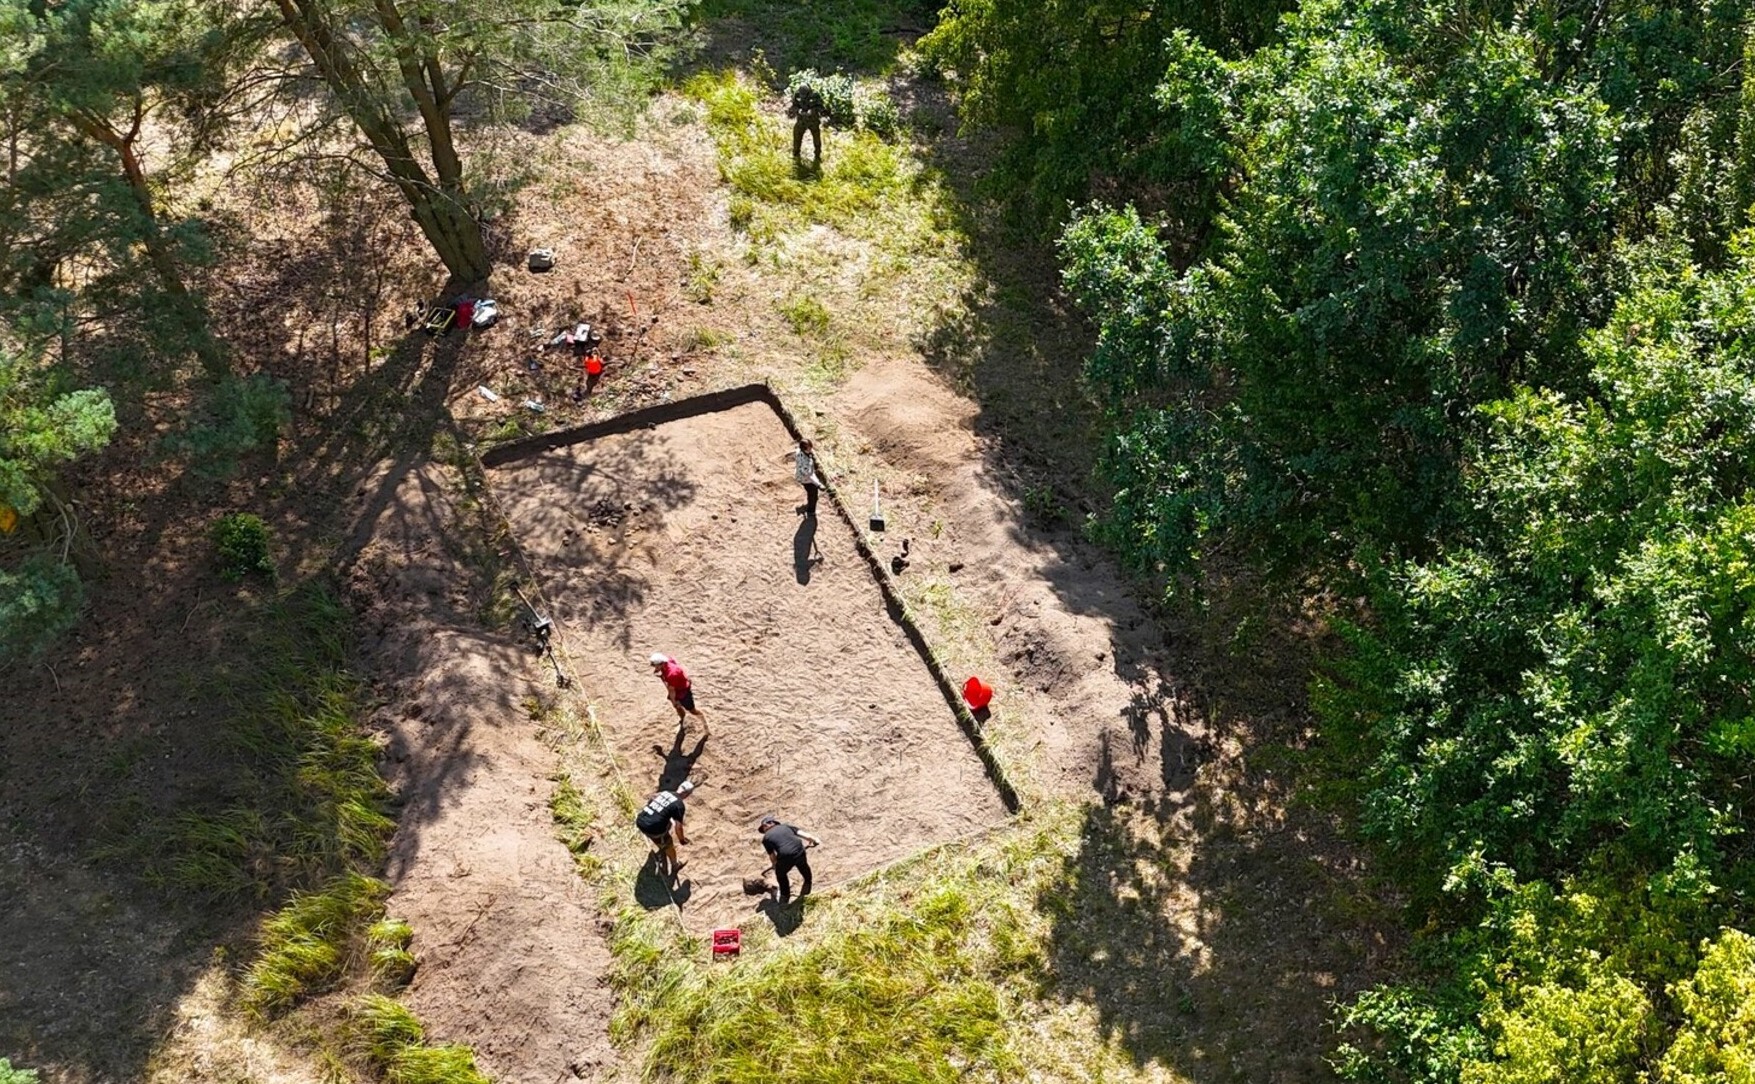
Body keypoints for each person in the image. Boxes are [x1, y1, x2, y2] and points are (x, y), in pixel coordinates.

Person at [758, 815, 821, 904]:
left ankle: (785, 895)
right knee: (803, 865)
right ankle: (808, 881)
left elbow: (772, 855)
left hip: (785, 856)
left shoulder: (766, 838)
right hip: (799, 850)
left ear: (766, 826)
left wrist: (775, 865)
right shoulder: (786, 826)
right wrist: (815, 840)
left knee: (781, 874)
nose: (764, 831)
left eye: (763, 829)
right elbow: (805, 835)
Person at [636, 779, 695, 874]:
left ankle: (659, 843)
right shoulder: (679, 805)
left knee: (668, 824)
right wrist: (682, 840)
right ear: (687, 794)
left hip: (640, 820)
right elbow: (678, 827)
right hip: (651, 828)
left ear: (679, 787)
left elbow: (652, 797)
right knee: (668, 844)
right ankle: (675, 865)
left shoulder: (665, 793)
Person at [650, 653, 709, 736]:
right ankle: (682, 721)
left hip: (683, 691)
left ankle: (703, 720)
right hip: (676, 687)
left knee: (692, 710)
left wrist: (674, 702)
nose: (655, 668)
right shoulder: (668, 661)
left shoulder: (671, 674)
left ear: (662, 663)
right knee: (678, 708)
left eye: (656, 666)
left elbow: (671, 690)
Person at [788, 82, 827, 164]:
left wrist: (812, 111)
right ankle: (796, 154)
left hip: (813, 121)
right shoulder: (797, 94)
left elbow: (821, 107)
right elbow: (793, 106)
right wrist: (798, 110)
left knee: (816, 139)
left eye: (804, 94)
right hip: (801, 120)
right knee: (797, 137)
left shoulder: (815, 95)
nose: (803, 96)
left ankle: (817, 155)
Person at [789, 437, 823, 518]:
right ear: (804, 449)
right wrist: (818, 484)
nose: (811, 449)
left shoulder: (799, 451)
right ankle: (811, 511)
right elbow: (809, 476)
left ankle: (808, 506)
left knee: (811, 492)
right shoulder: (805, 463)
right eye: (809, 448)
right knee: (813, 494)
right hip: (806, 479)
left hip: (800, 475)